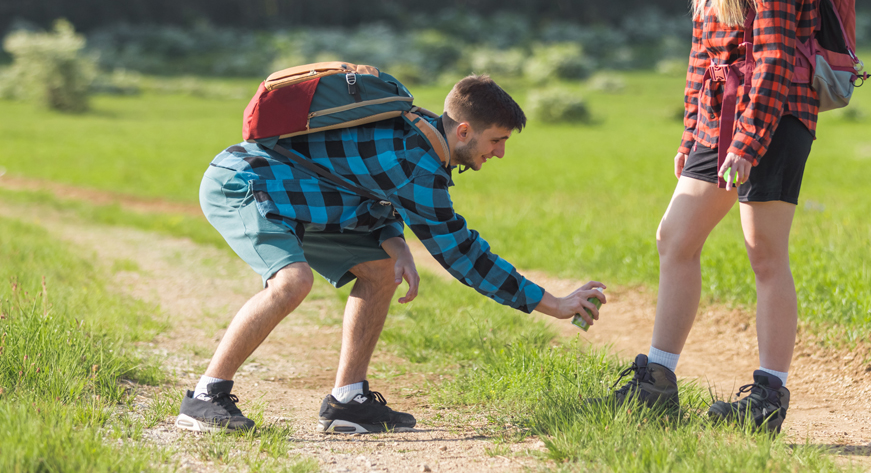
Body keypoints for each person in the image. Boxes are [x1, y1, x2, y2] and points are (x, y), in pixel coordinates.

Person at [177, 74, 606, 434]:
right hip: (246, 184)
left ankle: (347, 401)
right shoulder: (418, 162)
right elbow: (463, 255)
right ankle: (204, 397)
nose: (499, 152)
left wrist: (393, 238)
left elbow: (363, 179)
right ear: (463, 131)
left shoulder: (418, 130)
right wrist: (552, 303)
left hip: (302, 197)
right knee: (293, 282)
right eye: (495, 140)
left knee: (382, 270)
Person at [595, 0, 819, 431]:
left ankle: (768, 399)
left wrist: (745, 144)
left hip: (776, 114)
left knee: (764, 253)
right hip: (720, 116)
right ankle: (657, 383)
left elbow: (773, 58)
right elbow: (703, 57)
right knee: (675, 236)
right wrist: (692, 131)